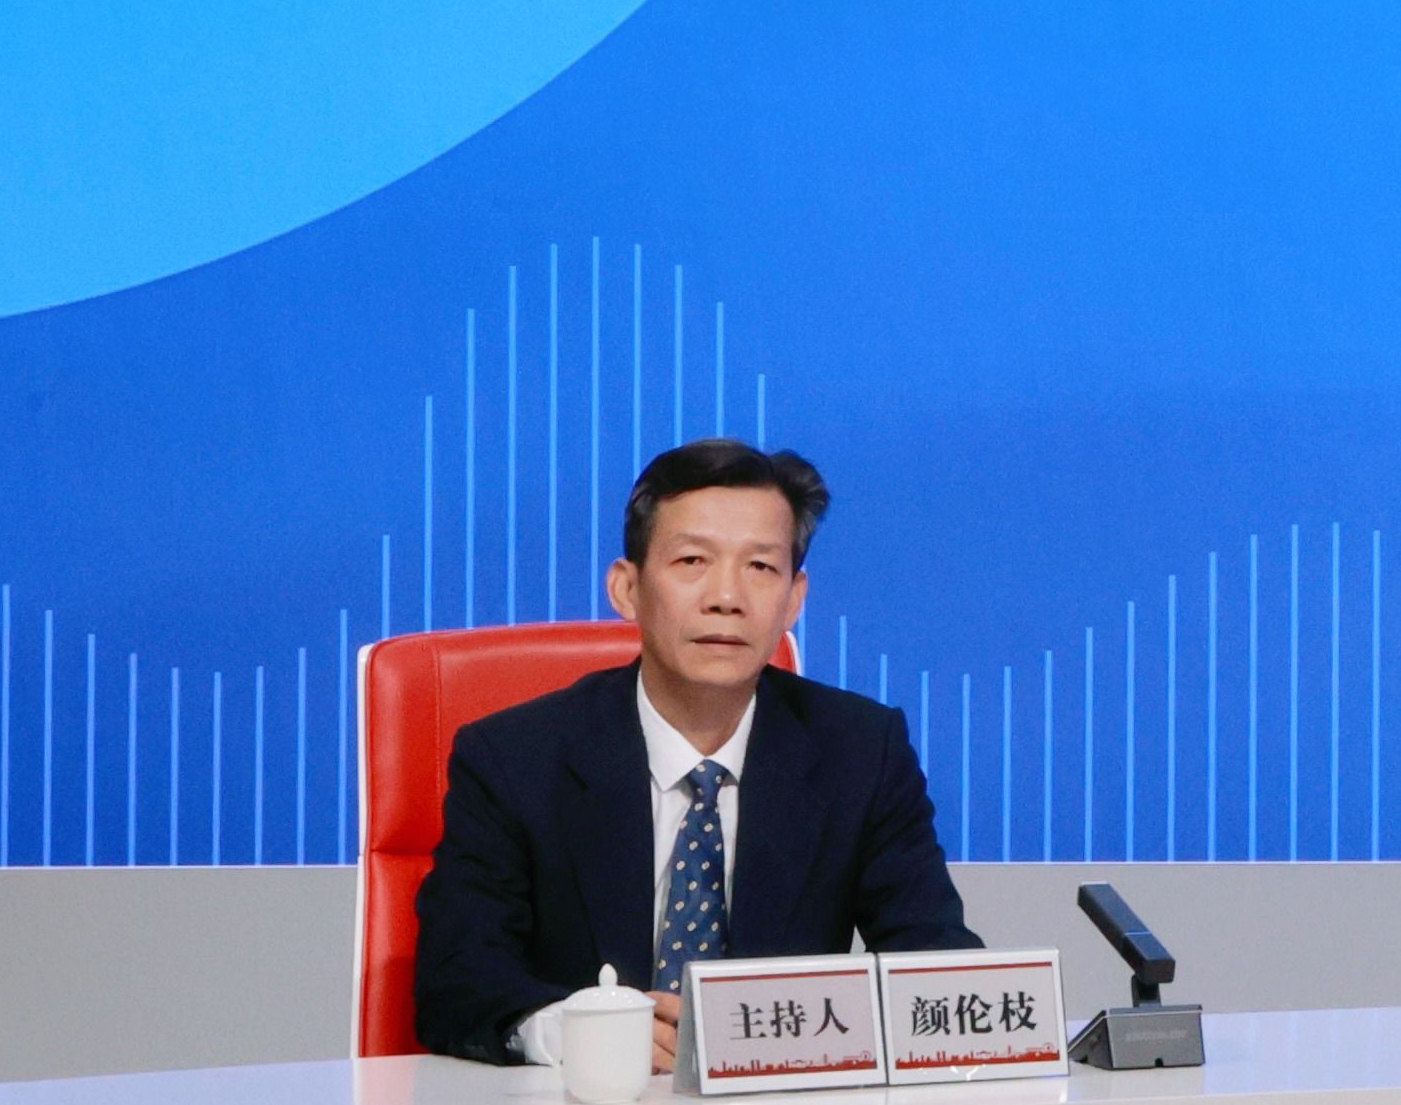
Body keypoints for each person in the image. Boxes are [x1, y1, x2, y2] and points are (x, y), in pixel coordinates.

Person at [411, 439, 977, 1070]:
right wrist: (575, 1033)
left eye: (760, 566)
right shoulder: (515, 758)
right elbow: (455, 980)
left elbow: (937, 964)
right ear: (627, 588)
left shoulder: (861, 750)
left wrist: (800, 1038)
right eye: (692, 561)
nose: (726, 597)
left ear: (794, 598)